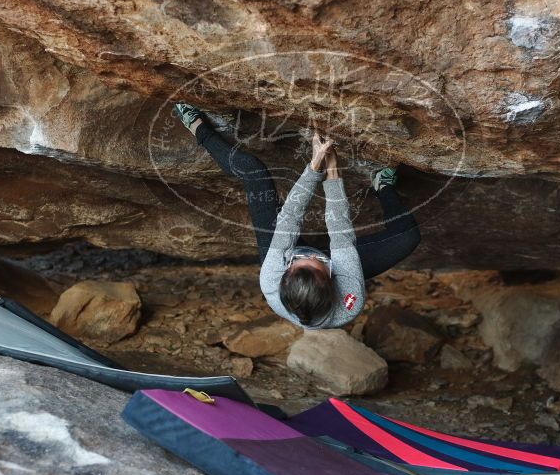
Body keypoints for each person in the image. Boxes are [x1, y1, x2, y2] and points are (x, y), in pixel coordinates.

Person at [174, 103, 420, 329]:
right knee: (408, 237)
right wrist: (332, 168)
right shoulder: (349, 297)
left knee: (254, 172)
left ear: (285, 272)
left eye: (303, 260)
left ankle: (195, 125)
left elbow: (289, 217)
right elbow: (340, 231)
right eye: (318, 261)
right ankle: (382, 185)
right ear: (333, 279)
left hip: (289, 251)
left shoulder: (271, 278)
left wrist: (314, 167)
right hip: (333, 263)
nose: (313, 255)